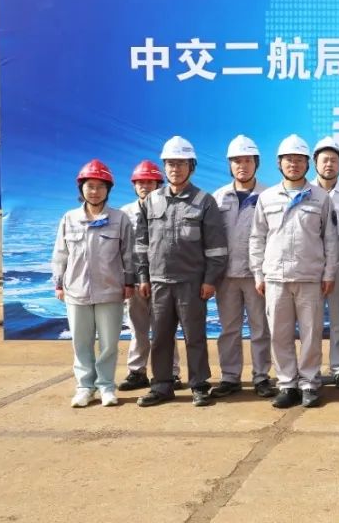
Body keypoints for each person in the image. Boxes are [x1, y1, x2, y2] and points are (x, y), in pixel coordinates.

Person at [135, 136, 227, 408]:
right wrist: (143, 277)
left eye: (181, 164)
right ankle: (162, 386)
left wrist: (210, 280)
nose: (175, 169)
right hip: (159, 282)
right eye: (171, 164)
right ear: (165, 167)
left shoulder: (204, 201)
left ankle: (199, 385)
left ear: (191, 167)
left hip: (191, 283)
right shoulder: (151, 200)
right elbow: (141, 243)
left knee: (194, 336)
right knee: (160, 337)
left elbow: (216, 247)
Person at [250, 134, 339, 409]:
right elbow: (257, 238)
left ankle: (310, 383)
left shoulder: (320, 198)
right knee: (280, 334)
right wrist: (258, 274)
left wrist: (329, 273)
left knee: (311, 334)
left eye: (299, 160)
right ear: (279, 163)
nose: (294, 164)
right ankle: (287, 384)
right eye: (289, 159)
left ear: (307, 164)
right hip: (276, 278)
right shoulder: (267, 198)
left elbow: (330, 239)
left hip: (310, 277)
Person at [51, 160, 134, 408]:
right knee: (81, 343)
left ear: (108, 189)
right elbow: (60, 254)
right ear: (82, 189)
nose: (95, 191)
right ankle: (85, 387)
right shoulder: (69, 218)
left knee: (108, 344)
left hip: (110, 291)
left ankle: (106, 386)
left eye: (100, 186)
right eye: (90, 186)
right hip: (76, 292)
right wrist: (58, 283)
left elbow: (129, 254)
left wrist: (129, 282)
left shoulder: (119, 218)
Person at [210, 135, 274, 399]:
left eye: (247, 160)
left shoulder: (268, 195)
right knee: (229, 330)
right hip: (226, 276)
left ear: (256, 163)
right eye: (237, 161)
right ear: (230, 164)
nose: (242, 166)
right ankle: (230, 377)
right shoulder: (218, 197)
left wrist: (264, 272)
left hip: (257, 275)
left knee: (260, 328)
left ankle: (261, 377)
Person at [118, 160, 181, 392]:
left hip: (163, 279)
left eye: (150, 182)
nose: (145, 186)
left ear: (158, 185)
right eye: (140, 182)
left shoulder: (170, 209)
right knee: (138, 328)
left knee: (165, 328)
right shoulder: (124, 214)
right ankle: (137, 371)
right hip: (135, 281)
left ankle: (171, 373)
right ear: (134, 185)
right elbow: (120, 249)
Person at [312, 136, 339, 389]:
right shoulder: (304, 193)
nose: (329, 164)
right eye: (324, 160)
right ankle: (311, 370)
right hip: (310, 268)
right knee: (311, 323)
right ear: (315, 163)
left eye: (334, 160)